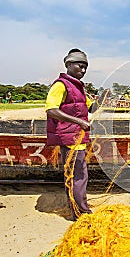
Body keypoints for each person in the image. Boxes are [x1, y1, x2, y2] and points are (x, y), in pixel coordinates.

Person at [45, 48, 96, 220]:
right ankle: (81, 213)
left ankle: (77, 209)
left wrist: (103, 100)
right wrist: (80, 122)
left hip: (78, 138)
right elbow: (51, 109)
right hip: (69, 139)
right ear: (69, 64)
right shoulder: (61, 85)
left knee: (76, 175)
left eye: (85, 67)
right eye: (80, 66)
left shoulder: (78, 87)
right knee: (78, 176)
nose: (83, 70)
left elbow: (90, 107)